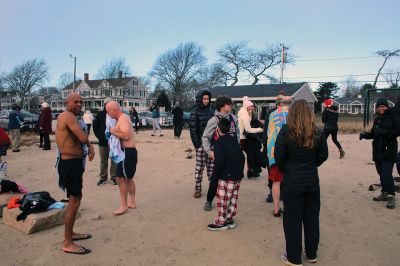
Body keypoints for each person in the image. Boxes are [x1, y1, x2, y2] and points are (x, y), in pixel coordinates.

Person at [275, 99, 328, 266]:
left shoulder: (287, 131)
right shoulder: (315, 131)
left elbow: (279, 157)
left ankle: (294, 257)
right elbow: (322, 155)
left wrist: (290, 169)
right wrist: (309, 165)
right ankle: (311, 253)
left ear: (293, 113)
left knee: (293, 219)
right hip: (310, 180)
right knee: (311, 217)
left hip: (294, 181)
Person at [55, 93, 95, 255]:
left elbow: (81, 138)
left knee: (76, 198)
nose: (79, 104)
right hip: (70, 164)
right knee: (74, 201)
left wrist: (89, 146)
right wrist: (90, 145)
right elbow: (81, 136)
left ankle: (70, 234)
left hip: (73, 163)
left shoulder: (69, 116)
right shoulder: (68, 116)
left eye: (81, 102)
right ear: (68, 102)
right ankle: (67, 242)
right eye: (75, 101)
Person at [360, 97, 400, 209]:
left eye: (383, 106)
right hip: (377, 150)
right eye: (379, 106)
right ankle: (385, 193)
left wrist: (384, 132)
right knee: (381, 173)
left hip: (389, 150)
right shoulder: (377, 119)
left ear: (387, 107)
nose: (381, 108)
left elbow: (397, 132)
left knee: (386, 174)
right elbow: (374, 133)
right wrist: (364, 135)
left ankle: (391, 195)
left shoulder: (393, 117)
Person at [202, 95, 240, 211]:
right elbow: (205, 137)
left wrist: (236, 147)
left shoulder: (234, 118)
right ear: (223, 107)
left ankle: (227, 200)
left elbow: (237, 134)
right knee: (215, 178)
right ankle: (209, 200)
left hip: (232, 156)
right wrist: (209, 152)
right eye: (229, 104)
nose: (231, 106)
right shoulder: (214, 120)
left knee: (231, 178)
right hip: (219, 156)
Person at [207, 117, 245, 231]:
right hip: (237, 175)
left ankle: (221, 222)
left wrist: (215, 179)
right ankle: (229, 219)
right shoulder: (233, 139)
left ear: (218, 129)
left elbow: (219, 163)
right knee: (232, 198)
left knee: (223, 199)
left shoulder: (219, 143)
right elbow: (242, 156)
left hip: (226, 176)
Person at [106, 101, 138, 215]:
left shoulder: (123, 118)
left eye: (108, 111)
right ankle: (132, 202)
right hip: (129, 152)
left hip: (127, 153)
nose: (108, 114)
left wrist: (112, 132)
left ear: (114, 110)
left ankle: (123, 206)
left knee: (120, 178)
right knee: (128, 178)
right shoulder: (123, 118)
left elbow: (126, 135)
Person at [267, 96, 293, 217]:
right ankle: (289, 208)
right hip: (290, 152)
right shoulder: (294, 115)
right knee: (289, 182)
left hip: (275, 151)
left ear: (281, 104)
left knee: (276, 181)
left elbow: (269, 133)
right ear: (291, 104)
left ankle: (276, 209)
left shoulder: (272, 115)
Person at [189, 90, 214, 198]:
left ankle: (212, 188)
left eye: (208, 99)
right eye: (204, 99)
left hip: (212, 145)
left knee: (212, 168)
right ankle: (197, 188)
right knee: (199, 168)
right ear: (200, 99)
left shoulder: (212, 112)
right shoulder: (194, 112)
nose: (206, 101)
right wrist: (197, 145)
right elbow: (193, 130)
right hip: (200, 145)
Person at [262, 94, 284, 203]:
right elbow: (266, 130)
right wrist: (265, 146)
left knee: (282, 170)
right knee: (272, 170)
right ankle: (272, 191)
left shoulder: (288, 113)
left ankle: (281, 192)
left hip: (283, 146)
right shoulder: (271, 113)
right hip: (272, 146)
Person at [93, 97, 117, 186]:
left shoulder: (116, 114)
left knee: (114, 160)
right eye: (107, 104)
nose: (109, 105)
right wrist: (99, 136)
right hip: (103, 142)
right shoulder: (100, 114)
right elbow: (95, 126)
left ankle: (114, 177)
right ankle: (103, 178)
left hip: (114, 141)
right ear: (104, 105)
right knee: (103, 161)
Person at [237, 96, 263, 178]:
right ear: (247, 107)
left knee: (248, 155)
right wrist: (260, 129)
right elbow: (248, 129)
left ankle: (249, 171)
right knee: (243, 156)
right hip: (242, 138)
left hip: (242, 138)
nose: (252, 107)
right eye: (251, 106)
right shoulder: (245, 116)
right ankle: (241, 172)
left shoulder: (244, 114)